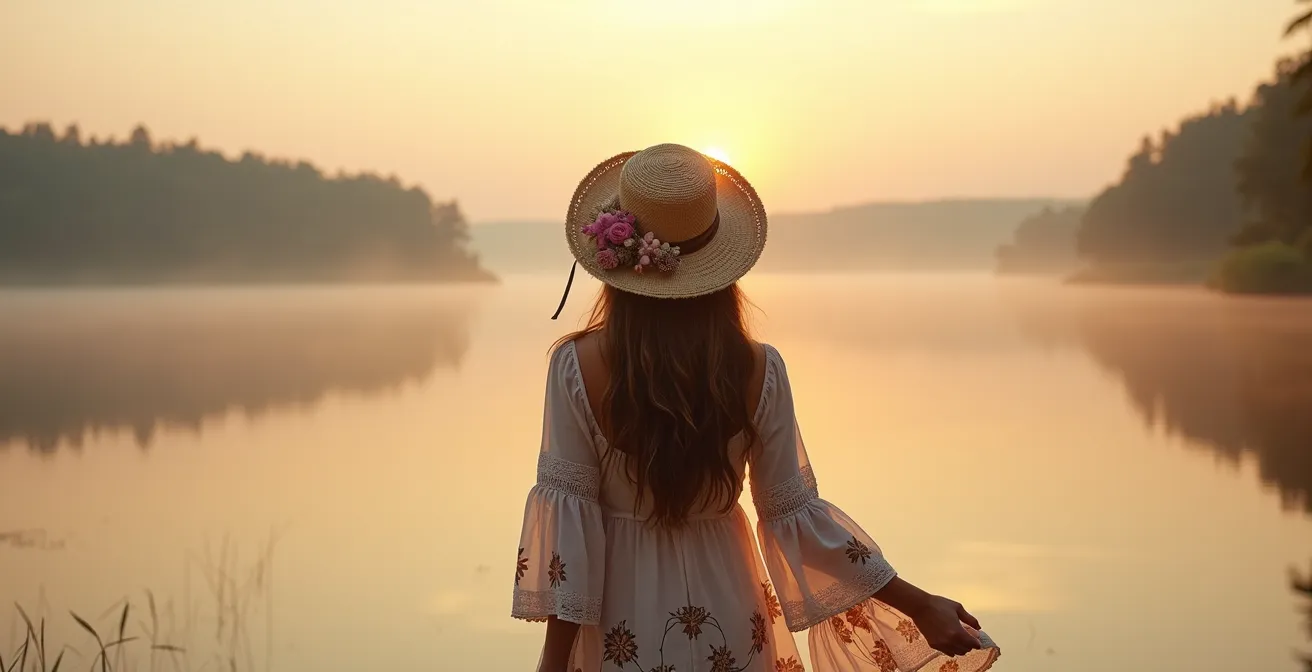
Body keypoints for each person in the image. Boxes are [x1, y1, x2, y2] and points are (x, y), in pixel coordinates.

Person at [512, 143, 1000, 672]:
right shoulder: (758, 368)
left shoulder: (577, 366)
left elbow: (571, 536)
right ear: (720, 263)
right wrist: (919, 604)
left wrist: (552, 665)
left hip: (620, 622)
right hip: (731, 607)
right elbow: (795, 517)